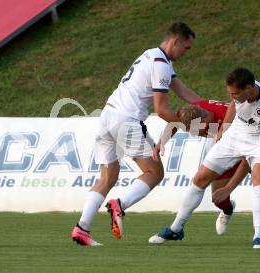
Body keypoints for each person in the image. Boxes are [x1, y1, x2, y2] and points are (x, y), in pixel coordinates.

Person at [71, 22, 201, 246]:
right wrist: (192, 124)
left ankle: (82, 228)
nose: (186, 52)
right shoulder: (161, 64)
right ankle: (119, 205)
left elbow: (182, 90)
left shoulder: (152, 55)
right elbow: (161, 111)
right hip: (127, 121)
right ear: (175, 41)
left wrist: (209, 108)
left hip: (107, 117)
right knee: (154, 172)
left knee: (107, 178)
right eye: (186, 47)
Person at [149, 67, 260, 249]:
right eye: (230, 93)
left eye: (235, 93)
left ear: (249, 88)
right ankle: (176, 228)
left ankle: (259, 237)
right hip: (234, 135)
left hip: (259, 140)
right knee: (200, 179)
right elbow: (232, 105)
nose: (232, 96)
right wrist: (224, 130)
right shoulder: (236, 94)